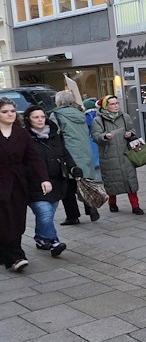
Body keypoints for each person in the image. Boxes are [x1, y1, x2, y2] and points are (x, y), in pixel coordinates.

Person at [0, 98, 50, 272]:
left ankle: (10, 253)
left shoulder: (21, 133)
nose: (9, 115)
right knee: (4, 220)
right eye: (5, 112)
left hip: (18, 182)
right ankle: (16, 256)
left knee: (17, 218)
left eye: (12, 111)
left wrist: (44, 178)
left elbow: (33, 157)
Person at [24, 106, 80, 257]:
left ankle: (41, 238)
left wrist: (73, 167)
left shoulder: (54, 135)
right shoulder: (24, 138)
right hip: (35, 184)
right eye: (35, 117)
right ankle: (54, 241)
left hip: (56, 183)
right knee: (45, 212)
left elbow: (64, 153)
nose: (40, 120)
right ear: (28, 120)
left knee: (46, 216)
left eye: (42, 117)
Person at [91, 95, 144, 215]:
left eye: (117, 103)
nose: (116, 106)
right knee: (111, 182)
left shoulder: (125, 117)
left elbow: (133, 130)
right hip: (109, 156)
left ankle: (135, 206)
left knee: (130, 181)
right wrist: (104, 136)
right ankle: (112, 203)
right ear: (106, 106)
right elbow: (95, 136)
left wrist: (130, 134)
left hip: (126, 154)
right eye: (112, 104)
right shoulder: (98, 120)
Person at [51, 91, 98, 225]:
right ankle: (90, 206)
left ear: (58, 101)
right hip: (84, 152)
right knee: (85, 181)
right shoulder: (80, 113)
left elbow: (55, 134)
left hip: (69, 154)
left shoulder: (57, 115)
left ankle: (72, 216)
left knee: (68, 187)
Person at [83, 98, 100, 175]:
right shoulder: (99, 114)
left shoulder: (87, 116)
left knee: (93, 158)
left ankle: (96, 177)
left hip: (91, 139)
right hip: (99, 138)